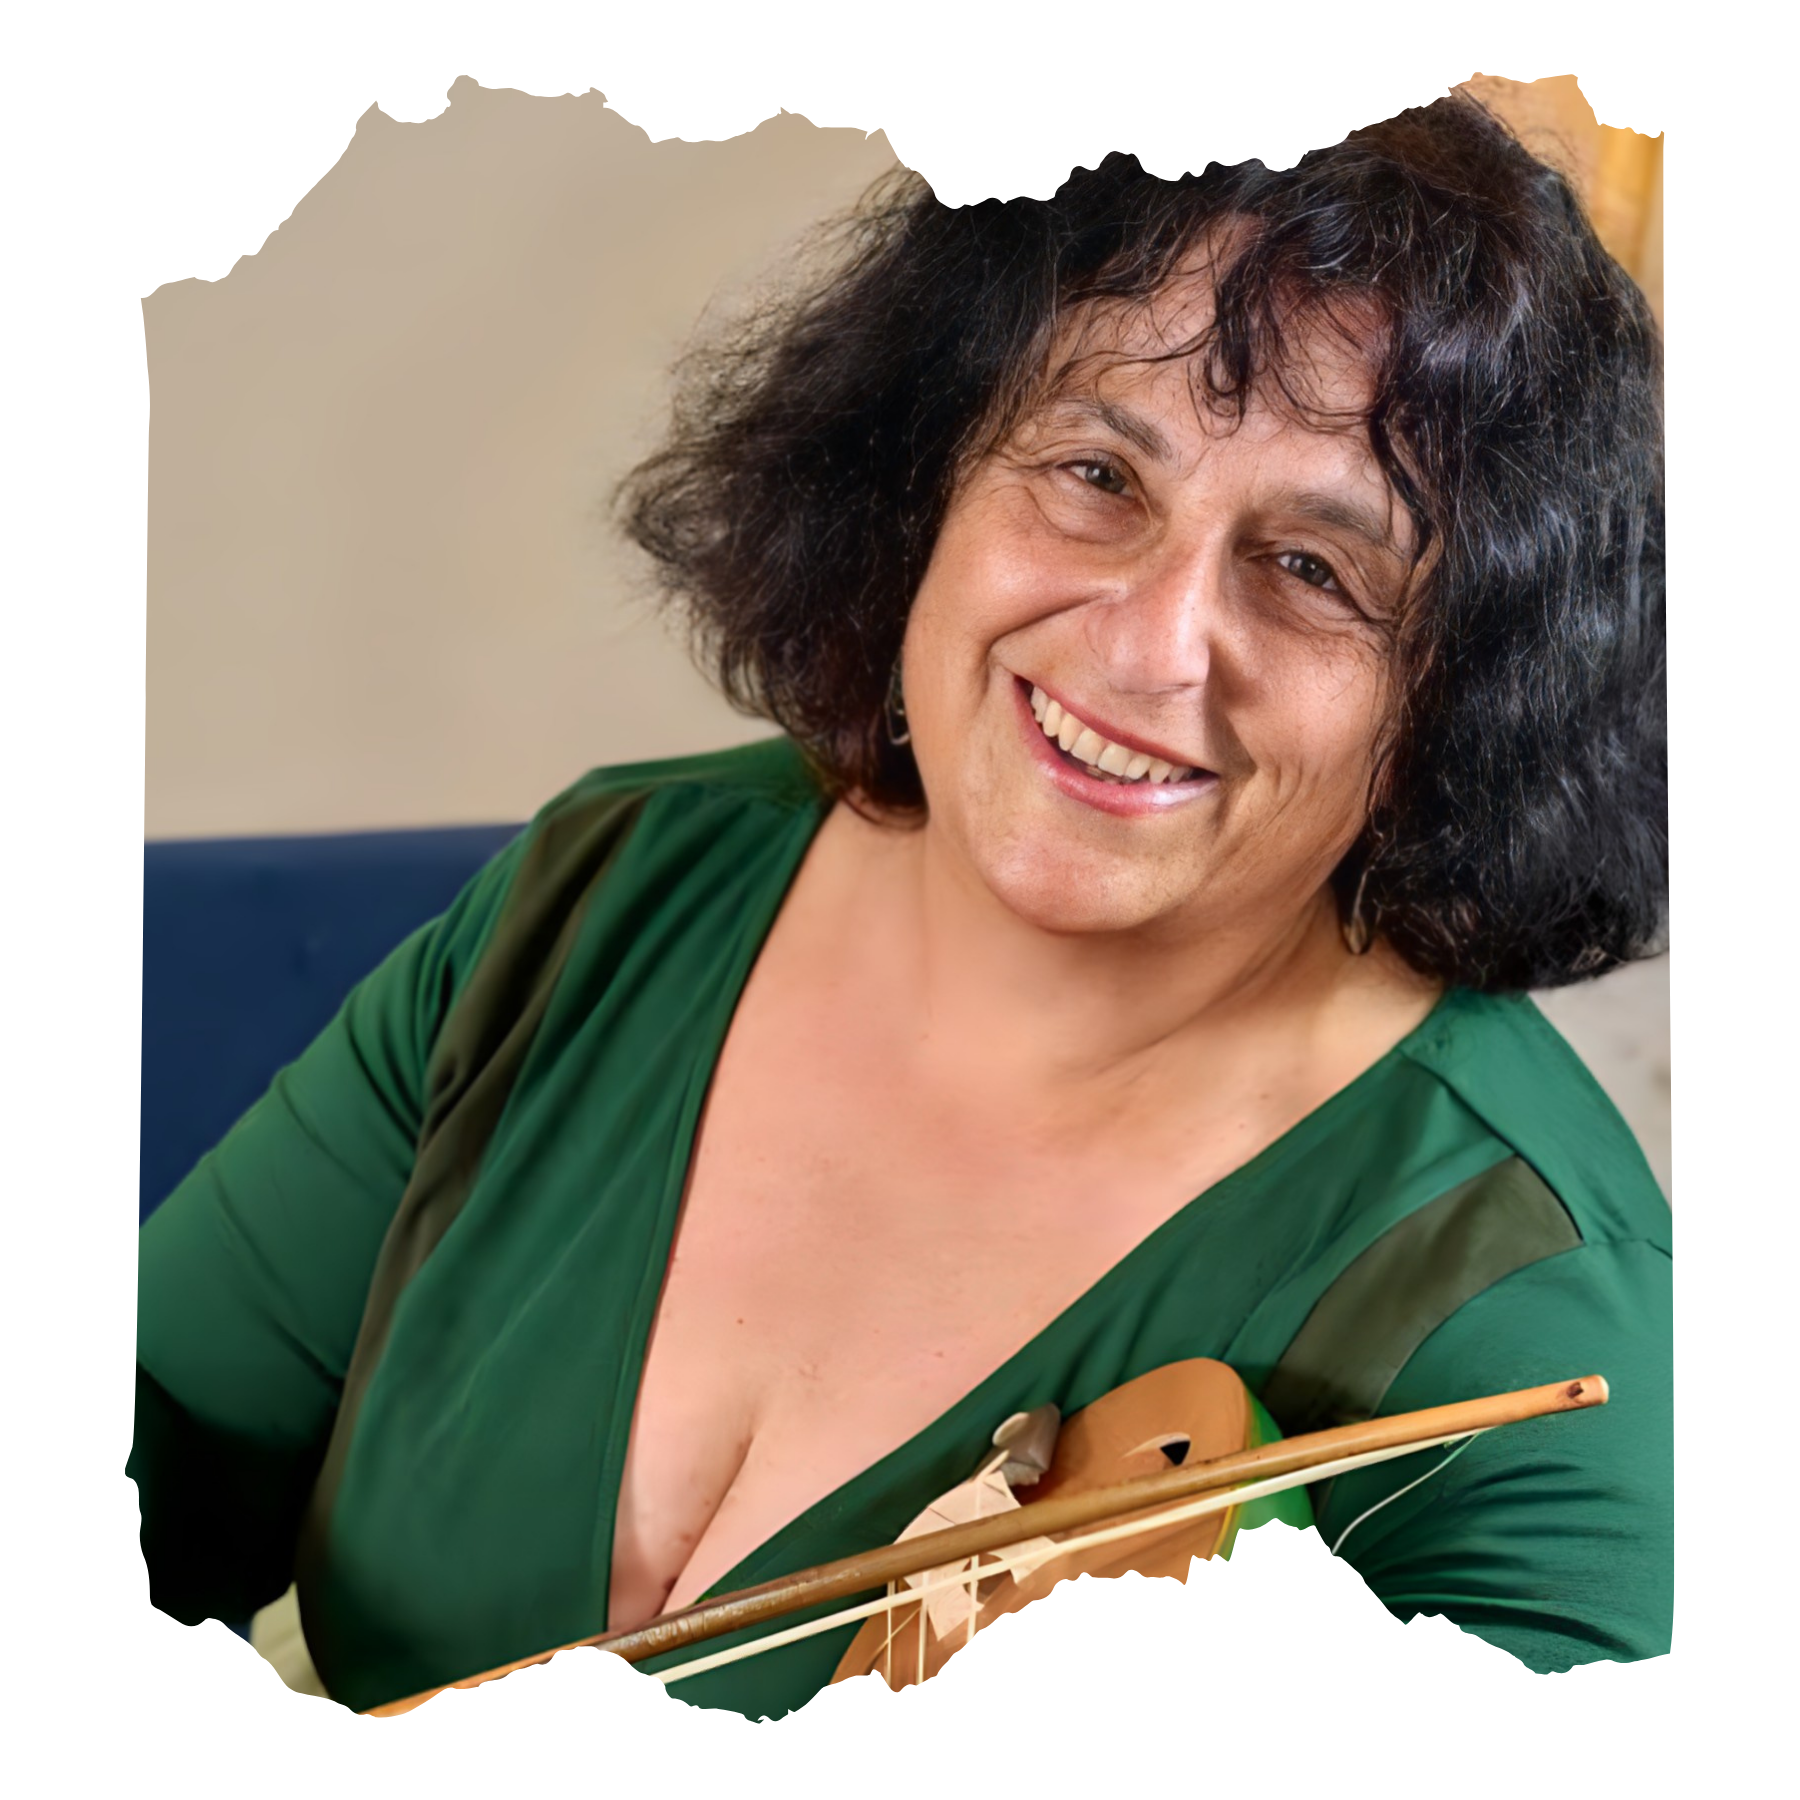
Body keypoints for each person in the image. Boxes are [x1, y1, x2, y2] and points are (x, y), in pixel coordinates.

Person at [132, 93, 1674, 1727]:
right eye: (1095, 473)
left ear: (1459, 704)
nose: (1149, 645)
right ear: (928, 465)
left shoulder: (1519, 1304)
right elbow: (174, 1416)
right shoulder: (620, 883)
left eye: (1312, 571)